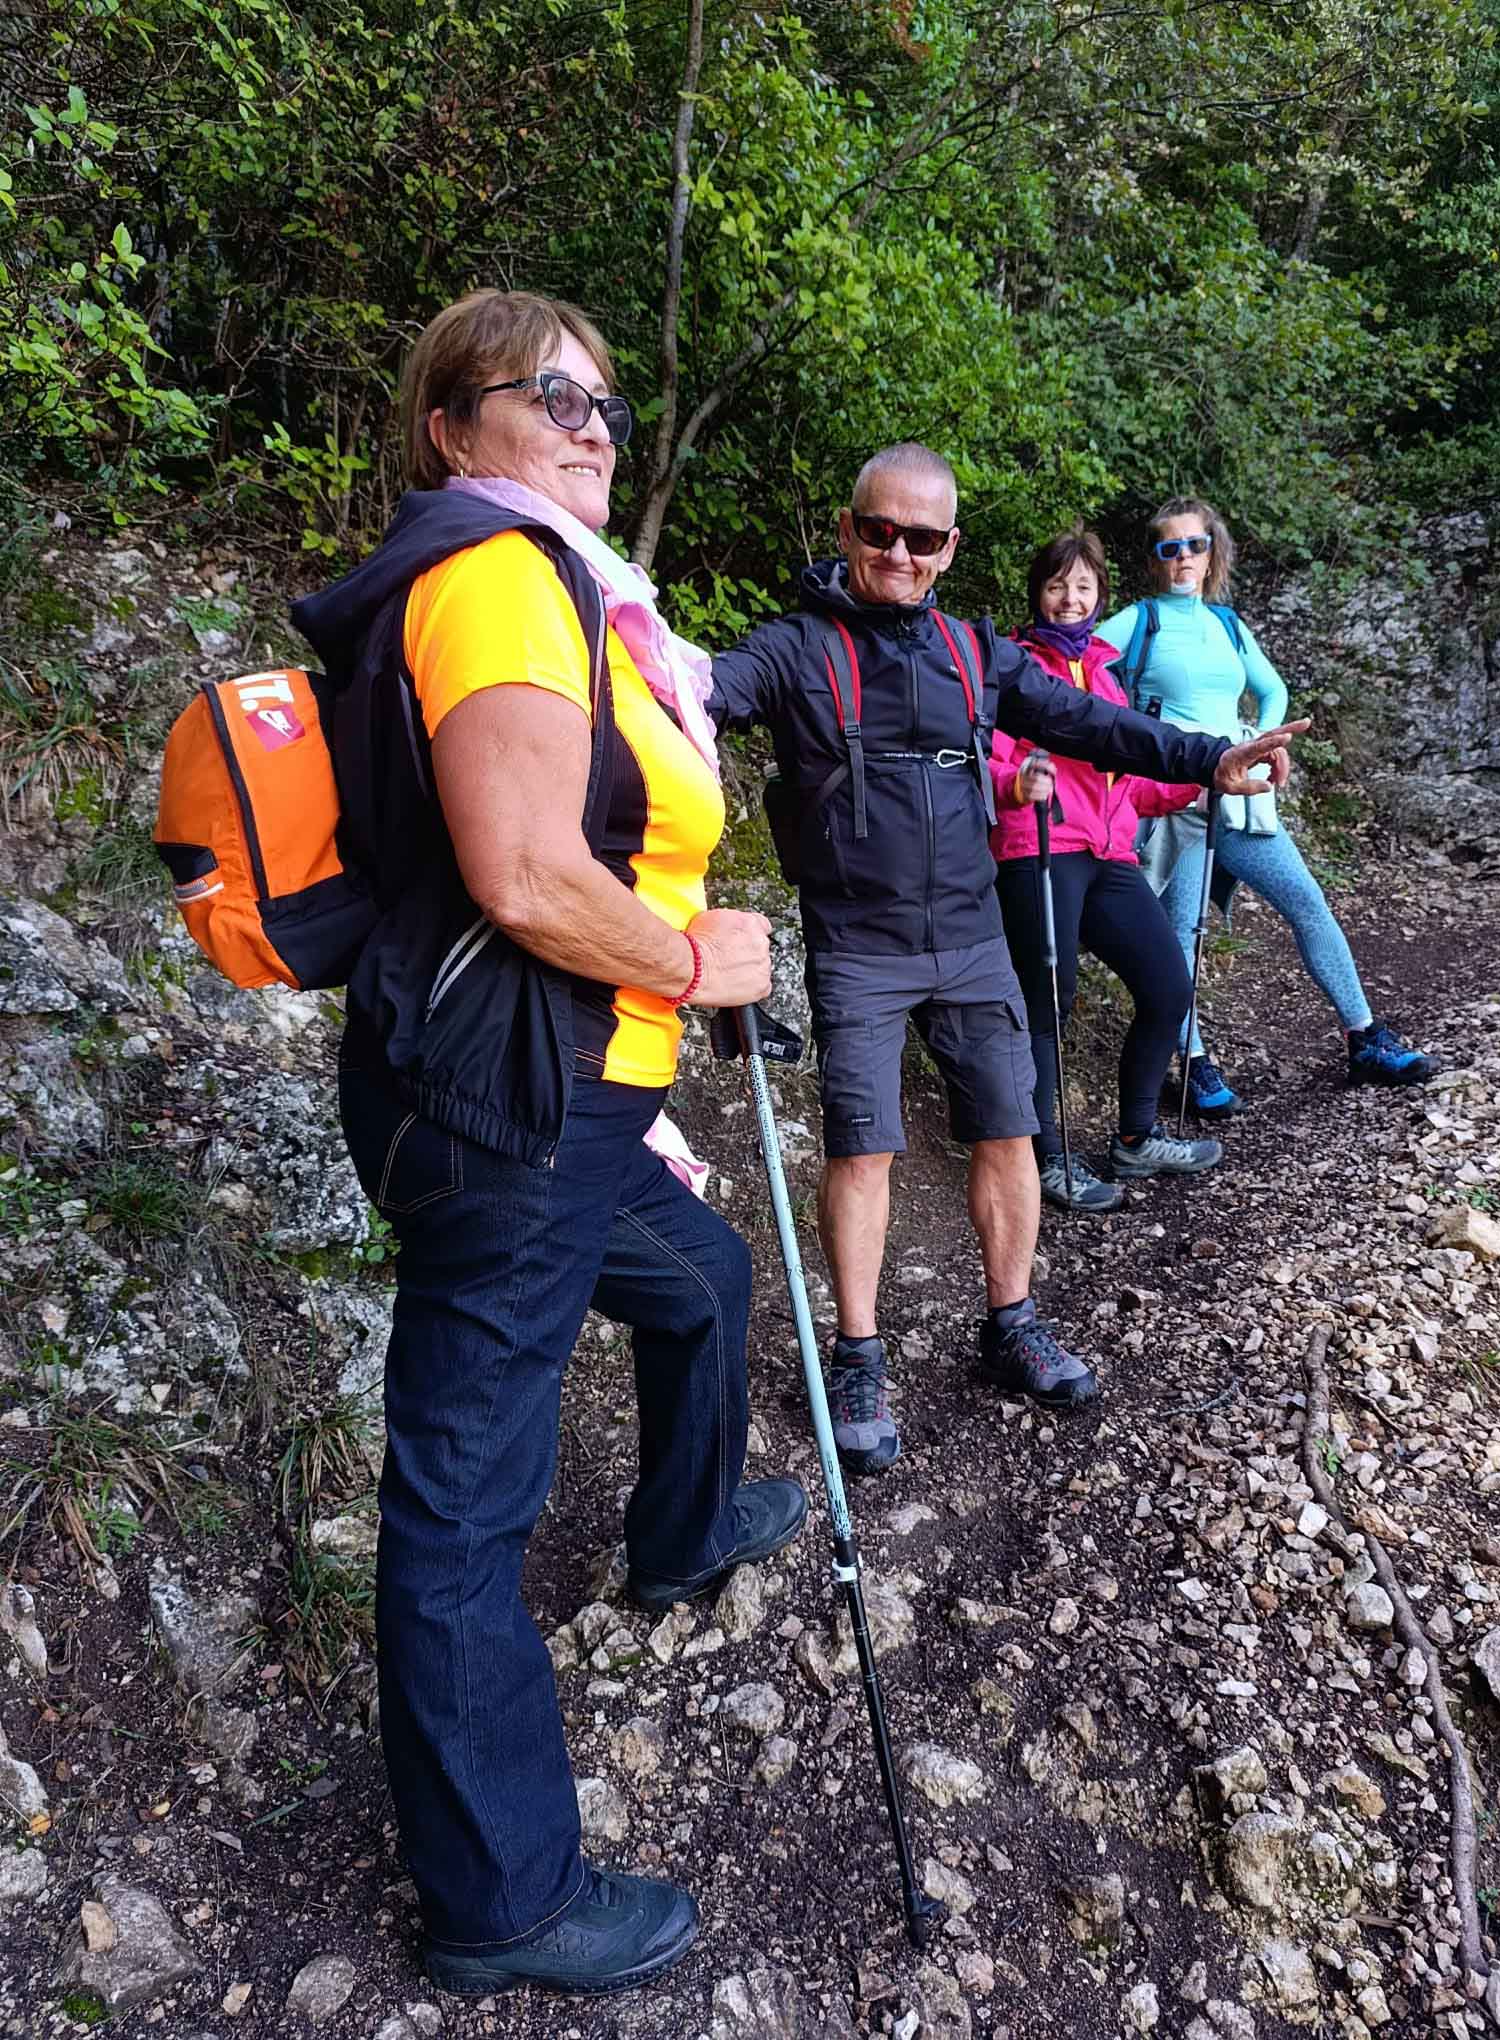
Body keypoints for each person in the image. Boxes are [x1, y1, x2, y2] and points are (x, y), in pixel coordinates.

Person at [291, 288, 808, 1998]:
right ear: (455, 427)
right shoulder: (496, 578)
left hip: (571, 1099)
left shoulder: (566, 589)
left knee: (701, 1281)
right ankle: (500, 1900)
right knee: (461, 1504)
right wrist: (689, 957)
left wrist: (658, 991)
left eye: (604, 402)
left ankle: (680, 1530)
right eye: (548, 396)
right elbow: (520, 870)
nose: (591, 425)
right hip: (510, 1108)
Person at [708, 445, 1305, 1475]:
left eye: (922, 537)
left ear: (949, 549)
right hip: (858, 944)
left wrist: (1210, 757)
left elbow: (1092, 723)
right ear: (848, 530)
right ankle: (858, 1353)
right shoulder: (794, 651)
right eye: (878, 530)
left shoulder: (975, 652)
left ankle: (1010, 1323)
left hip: (974, 932)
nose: (897, 552)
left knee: (1010, 1129)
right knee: (862, 1146)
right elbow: (698, 693)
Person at [1099, 496, 1437, 1116]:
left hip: (1240, 798)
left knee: (1306, 900)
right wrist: (1129, 739)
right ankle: (1193, 1061)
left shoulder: (1228, 625)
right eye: (1169, 548)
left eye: (1194, 546)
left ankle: (1363, 1036)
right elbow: (1080, 663)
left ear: (1211, 552)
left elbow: (1271, 689)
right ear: (1155, 559)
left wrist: (1267, 741)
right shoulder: (1137, 621)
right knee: (1181, 934)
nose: (1183, 558)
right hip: (1176, 800)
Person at [991, 527, 1222, 1214]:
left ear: (1100, 595)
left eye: (1083, 586)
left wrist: (1194, 786)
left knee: (1167, 986)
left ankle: (1135, 1136)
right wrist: (1015, 780)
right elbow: (991, 756)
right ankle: (1043, 1159)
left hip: (1107, 853)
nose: (1069, 599)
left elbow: (1131, 786)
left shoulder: (1109, 671)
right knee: (1045, 1004)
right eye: (1057, 585)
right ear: (1038, 591)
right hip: (1036, 844)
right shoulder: (1010, 666)